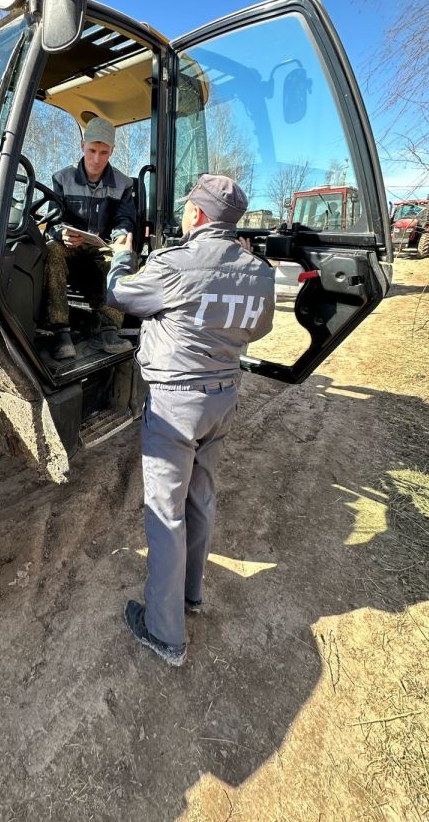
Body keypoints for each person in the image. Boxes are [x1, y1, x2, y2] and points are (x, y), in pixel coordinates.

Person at [107, 174, 276, 666]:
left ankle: (165, 634)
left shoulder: (172, 265)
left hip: (175, 405)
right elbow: (258, 327)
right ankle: (191, 596)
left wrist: (120, 253)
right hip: (223, 399)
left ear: (198, 215)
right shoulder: (258, 271)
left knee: (165, 513)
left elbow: (121, 296)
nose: (182, 214)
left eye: (186, 208)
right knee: (200, 497)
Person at [44, 117, 136, 360]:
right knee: (51, 251)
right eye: (92, 150)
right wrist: (60, 234)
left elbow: (124, 219)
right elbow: (52, 219)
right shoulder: (61, 178)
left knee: (124, 257)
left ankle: (107, 328)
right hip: (70, 245)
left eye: (104, 152)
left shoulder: (123, 184)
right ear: (82, 145)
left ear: (112, 151)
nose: (97, 159)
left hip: (101, 248)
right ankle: (60, 331)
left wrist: (120, 237)